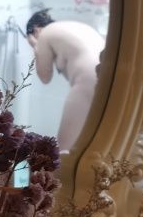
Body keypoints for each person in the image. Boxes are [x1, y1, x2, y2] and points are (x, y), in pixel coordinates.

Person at [26, 9, 103, 152]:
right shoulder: (74, 27)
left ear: (36, 30)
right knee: (93, 145)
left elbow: (45, 77)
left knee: (63, 151)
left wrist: (36, 46)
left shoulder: (44, 34)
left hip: (87, 81)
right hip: (107, 78)